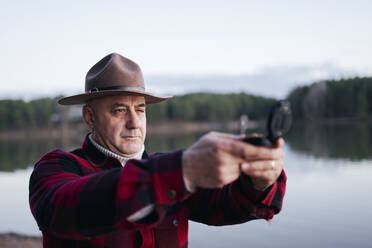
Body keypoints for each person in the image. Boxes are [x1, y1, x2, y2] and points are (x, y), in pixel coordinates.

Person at [29, 53, 287, 248]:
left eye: (140, 110)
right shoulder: (56, 167)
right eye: (119, 110)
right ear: (89, 117)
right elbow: (62, 209)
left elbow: (230, 206)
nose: (133, 122)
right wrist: (183, 170)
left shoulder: (173, 170)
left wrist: (259, 181)